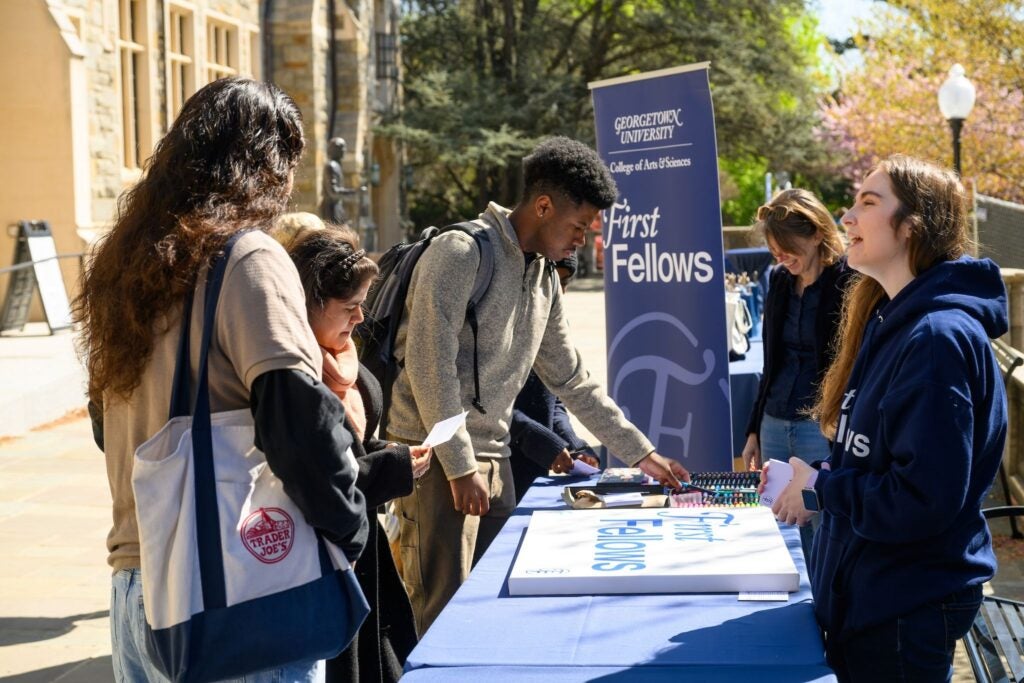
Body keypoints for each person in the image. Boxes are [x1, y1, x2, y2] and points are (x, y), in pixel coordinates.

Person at [74, 77, 368, 681]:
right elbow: (297, 420)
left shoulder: (125, 267)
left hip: (137, 585)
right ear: (266, 164)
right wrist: (351, 522)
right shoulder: (249, 258)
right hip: (234, 586)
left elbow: (107, 428)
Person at [387, 136, 689, 634]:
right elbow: (428, 365)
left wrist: (641, 454)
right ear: (543, 206)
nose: (583, 239)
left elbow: (572, 380)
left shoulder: (546, 275)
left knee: (494, 612)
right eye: (578, 226)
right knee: (441, 619)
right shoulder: (460, 253)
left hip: (494, 461)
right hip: (435, 464)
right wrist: (460, 466)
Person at [769, 155, 1008, 682]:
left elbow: (920, 501)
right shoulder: (889, 319)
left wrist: (824, 490)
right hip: (877, 595)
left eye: (868, 203)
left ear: (912, 228)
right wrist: (817, 481)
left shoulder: (937, 341)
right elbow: (876, 456)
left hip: (903, 603)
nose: (847, 217)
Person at [281, 224, 432, 683]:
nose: (362, 318)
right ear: (310, 305)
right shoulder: (288, 371)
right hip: (324, 560)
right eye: (350, 307)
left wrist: (385, 453)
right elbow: (311, 474)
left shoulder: (341, 353)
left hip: (362, 551)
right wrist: (389, 467)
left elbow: (349, 445)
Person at [740, 189, 853, 558]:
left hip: (820, 427)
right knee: (780, 530)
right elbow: (771, 361)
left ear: (818, 234)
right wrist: (754, 428)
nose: (782, 259)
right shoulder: (779, 280)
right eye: (775, 252)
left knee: (825, 531)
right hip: (774, 421)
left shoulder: (848, 282)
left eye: (789, 250)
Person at [509, 251, 600, 502]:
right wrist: (544, 442)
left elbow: (555, 398)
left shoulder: (554, 323)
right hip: (492, 469)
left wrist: (574, 445)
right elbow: (486, 405)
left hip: (534, 469)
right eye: (549, 281)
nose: (556, 292)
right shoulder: (501, 322)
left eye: (564, 283)